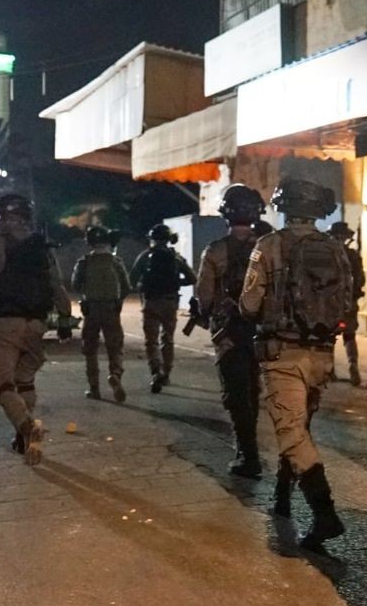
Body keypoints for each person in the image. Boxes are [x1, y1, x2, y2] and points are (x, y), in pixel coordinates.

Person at [239, 177, 353, 552]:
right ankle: (282, 495)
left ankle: (324, 513)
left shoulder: (268, 245)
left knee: (290, 431)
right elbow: (346, 302)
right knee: (300, 429)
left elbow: (249, 305)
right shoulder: (335, 248)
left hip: (282, 354)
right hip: (322, 354)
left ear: (283, 207)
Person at [0, 192, 73, 465]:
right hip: (37, 324)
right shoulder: (42, 246)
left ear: (6, 218)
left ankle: (28, 427)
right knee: (24, 379)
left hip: (8, 324)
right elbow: (56, 284)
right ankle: (22, 438)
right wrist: (65, 320)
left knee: (0, 382)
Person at [196, 184, 267, 478]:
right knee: (253, 388)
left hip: (230, 333)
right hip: (262, 331)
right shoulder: (267, 247)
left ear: (225, 213)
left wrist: (208, 315)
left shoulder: (215, 250)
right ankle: (252, 449)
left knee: (236, 393)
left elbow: (204, 296)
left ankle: (247, 455)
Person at [131, 223, 196, 394]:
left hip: (151, 303)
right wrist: (176, 282)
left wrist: (143, 285)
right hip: (170, 303)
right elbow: (192, 278)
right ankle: (166, 373)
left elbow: (132, 279)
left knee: (151, 340)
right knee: (168, 339)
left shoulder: (145, 256)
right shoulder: (176, 257)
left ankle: (155, 371)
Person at [71, 225, 129, 402]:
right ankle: (116, 374)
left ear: (89, 242)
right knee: (115, 346)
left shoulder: (84, 262)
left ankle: (94, 388)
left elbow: (75, 285)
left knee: (90, 349)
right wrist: (117, 299)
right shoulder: (116, 261)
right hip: (111, 308)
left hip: (91, 309)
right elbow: (127, 286)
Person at [328, 219, 366, 385]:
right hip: (349, 302)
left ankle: (330, 370)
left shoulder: (327, 254)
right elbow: (361, 279)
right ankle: (353, 365)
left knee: (328, 336)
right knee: (349, 335)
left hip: (330, 303)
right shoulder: (353, 255)